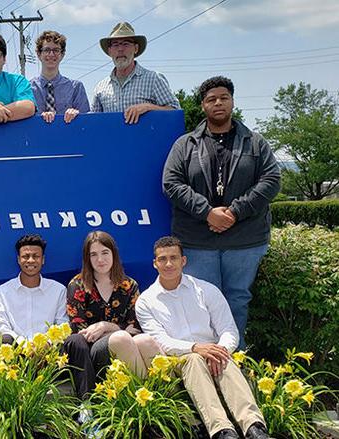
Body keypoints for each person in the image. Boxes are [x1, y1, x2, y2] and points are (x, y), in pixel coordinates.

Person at [162, 76, 280, 349]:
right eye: (211, 99)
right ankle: (206, 359)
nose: (218, 103)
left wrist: (234, 212)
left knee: (237, 298)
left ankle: (232, 358)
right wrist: (208, 213)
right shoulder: (185, 144)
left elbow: (271, 180)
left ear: (232, 102)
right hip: (198, 240)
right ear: (203, 105)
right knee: (202, 301)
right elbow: (171, 183)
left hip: (245, 240)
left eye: (223, 98)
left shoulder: (255, 142)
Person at [136, 237, 271, 439]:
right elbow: (160, 341)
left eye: (174, 258)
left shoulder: (206, 290)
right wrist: (196, 348)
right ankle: (222, 431)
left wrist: (219, 349)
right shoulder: (146, 301)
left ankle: (254, 427)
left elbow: (228, 329)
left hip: (213, 353)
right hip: (177, 359)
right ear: (155, 263)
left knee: (223, 357)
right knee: (193, 360)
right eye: (162, 259)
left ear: (184, 261)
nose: (169, 264)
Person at [63, 231, 161, 398]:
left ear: (114, 254)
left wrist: (106, 326)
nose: (100, 260)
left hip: (127, 344)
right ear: (87, 258)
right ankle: (148, 397)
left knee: (145, 340)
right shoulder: (78, 285)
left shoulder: (129, 285)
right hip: (93, 353)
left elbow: (135, 327)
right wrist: (117, 331)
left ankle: (170, 399)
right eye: (93, 254)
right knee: (121, 337)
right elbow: (79, 329)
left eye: (105, 253)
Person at [90, 22, 179, 124]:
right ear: (109, 51)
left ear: (135, 48)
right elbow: (93, 121)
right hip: (112, 140)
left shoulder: (154, 79)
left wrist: (148, 107)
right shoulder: (100, 87)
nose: (120, 49)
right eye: (115, 44)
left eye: (126, 44)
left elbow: (175, 111)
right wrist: (74, 114)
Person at [0, 234, 68, 343]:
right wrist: (23, 345)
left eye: (36, 256)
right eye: (26, 256)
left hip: (50, 351)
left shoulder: (58, 290)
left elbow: (62, 325)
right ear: (18, 259)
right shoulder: (3, 292)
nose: (31, 260)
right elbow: (1, 327)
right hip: (15, 351)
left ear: (43, 260)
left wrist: (45, 344)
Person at [29, 30, 90, 124]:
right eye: (47, 50)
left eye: (56, 50)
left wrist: (78, 115)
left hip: (68, 137)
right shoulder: (27, 88)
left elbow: (86, 123)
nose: (51, 54)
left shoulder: (76, 88)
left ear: (62, 54)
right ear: (38, 54)